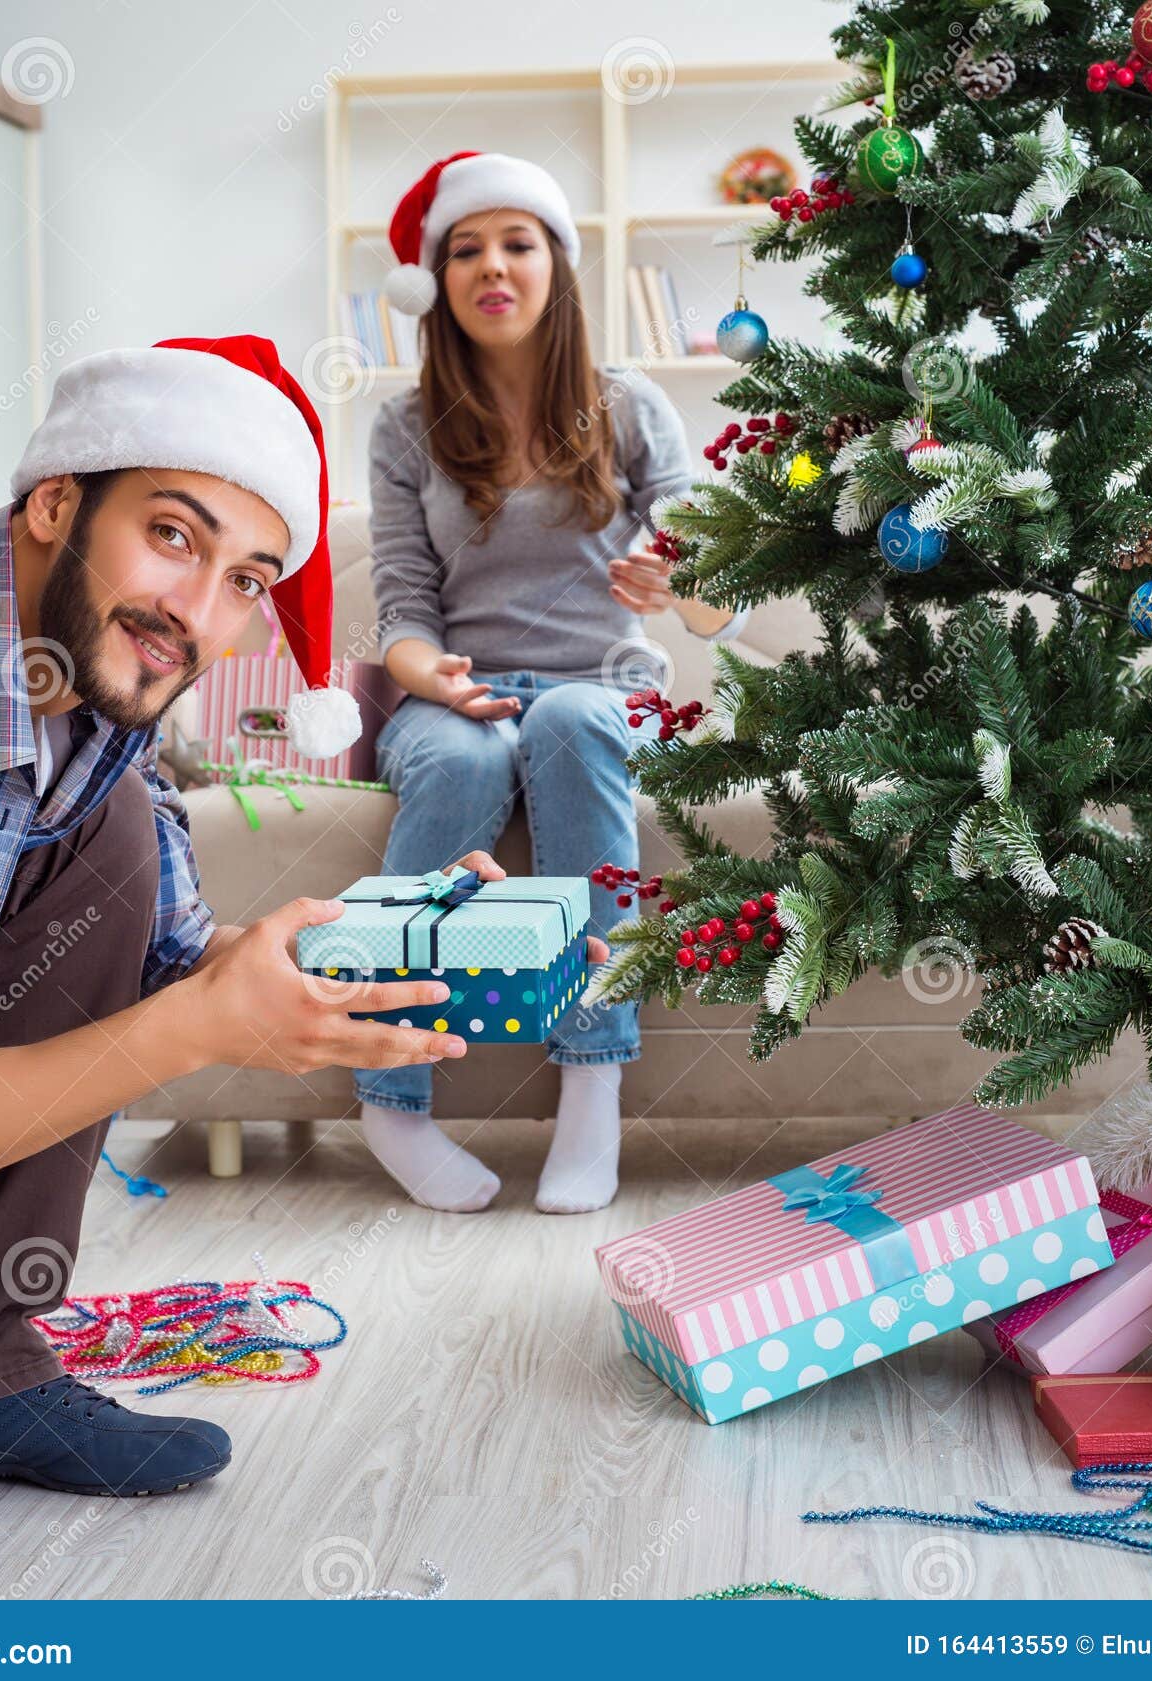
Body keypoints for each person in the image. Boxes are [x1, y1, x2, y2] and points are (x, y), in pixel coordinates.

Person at [0, 332, 576, 1590]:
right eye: (172, 535)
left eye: (247, 577)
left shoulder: (82, 671)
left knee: (104, 845)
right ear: (55, 500)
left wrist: (366, 947)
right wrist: (202, 1028)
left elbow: (160, 969)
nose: (196, 617)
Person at [355, 153, 748, 1216]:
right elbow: (400, 608)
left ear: (555, 265)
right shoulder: (403, 427)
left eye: (516, 243)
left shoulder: (632, 410)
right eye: (465, 249)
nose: (492, 267)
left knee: (575, 719)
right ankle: (390, 1101)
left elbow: (725, 602)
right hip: (459, 693)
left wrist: (680, 582)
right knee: (459, 758)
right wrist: (423, 673)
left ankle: (591, 1079)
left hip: (605, 687)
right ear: (434, 282)